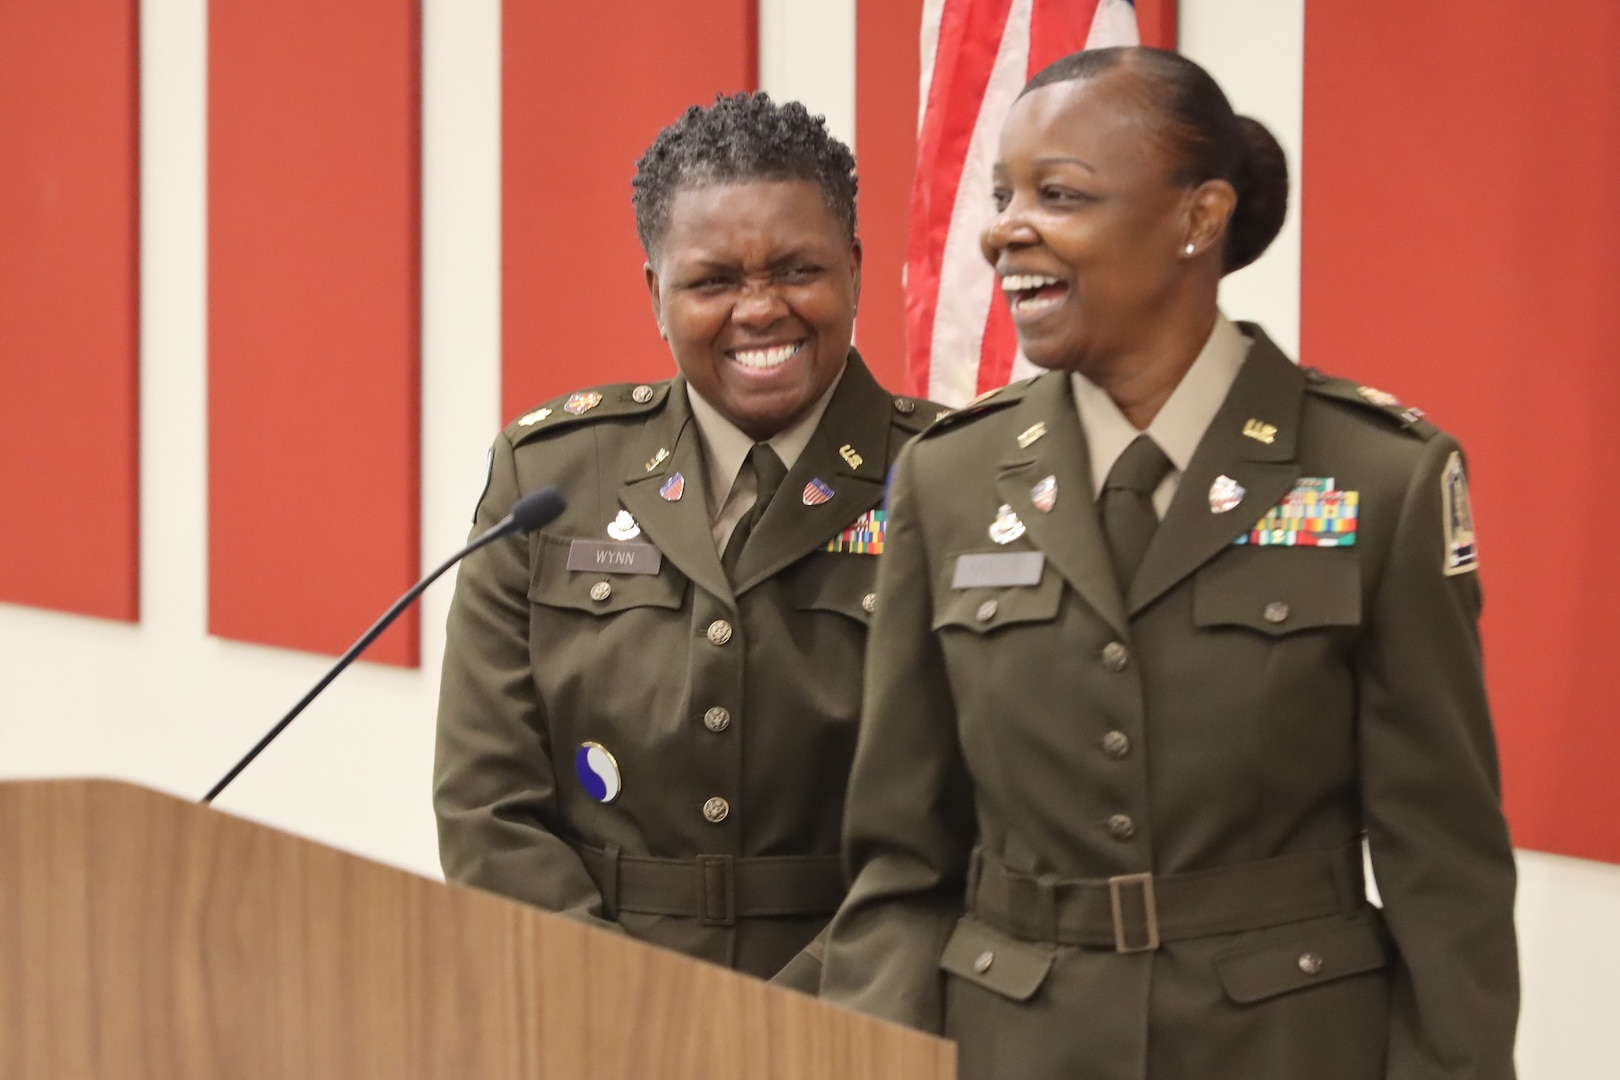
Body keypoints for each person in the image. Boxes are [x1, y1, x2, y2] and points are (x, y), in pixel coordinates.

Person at [820, 47, 1519, 1079]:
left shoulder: (1379, 477)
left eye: (1058, 193)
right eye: (1004, 193)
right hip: (1016, 1045)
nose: (1004, 229)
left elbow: (1443, 867)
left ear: (1198, 219)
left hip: (1288, 1047)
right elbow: (901, 860)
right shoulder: (950, 480)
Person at [433, 92, 938, 991]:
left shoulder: (949, 481)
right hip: (585, 1012)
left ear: (855, 270)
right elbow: (488, 805)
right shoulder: (549, 474)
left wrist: (786, 1031)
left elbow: (960, 822)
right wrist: (628, 1013)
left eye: (796, 270)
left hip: (857, 1011)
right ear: (655, 296)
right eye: (712, 282)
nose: (759, 310)